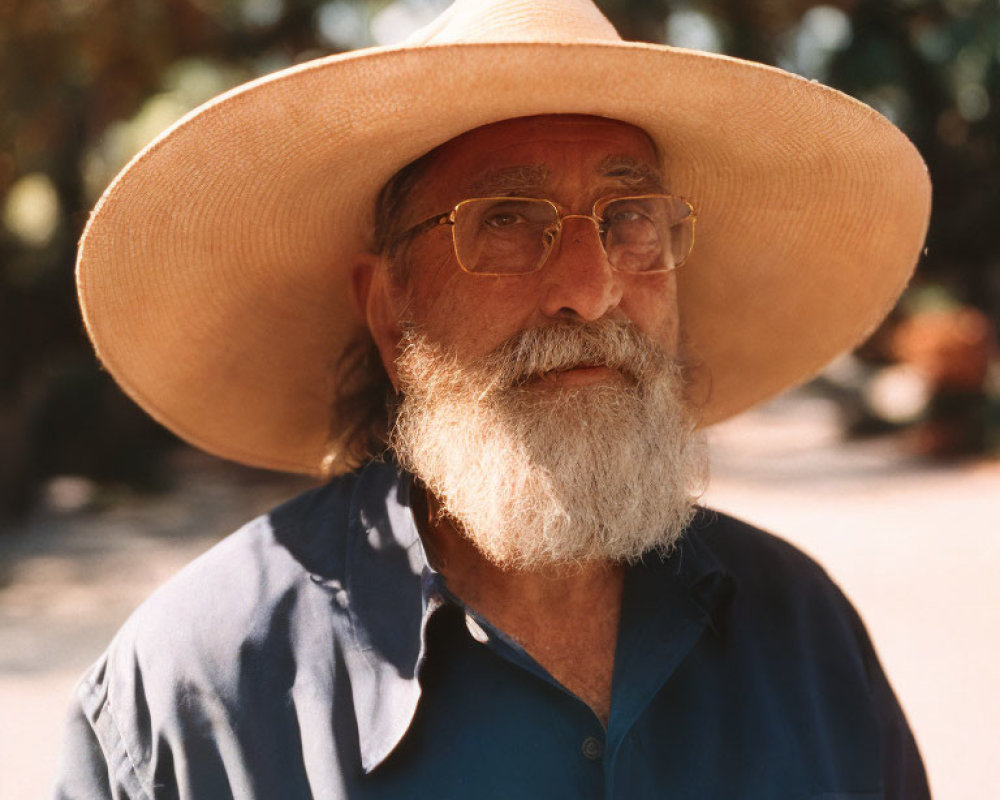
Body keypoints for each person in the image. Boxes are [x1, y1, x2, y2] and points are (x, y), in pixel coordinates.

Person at [57, 0, 934, 797]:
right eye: (507, 220)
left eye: (630, 219)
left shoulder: (807, 638)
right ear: (390, 313)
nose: (590, 291)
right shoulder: (192, 694)